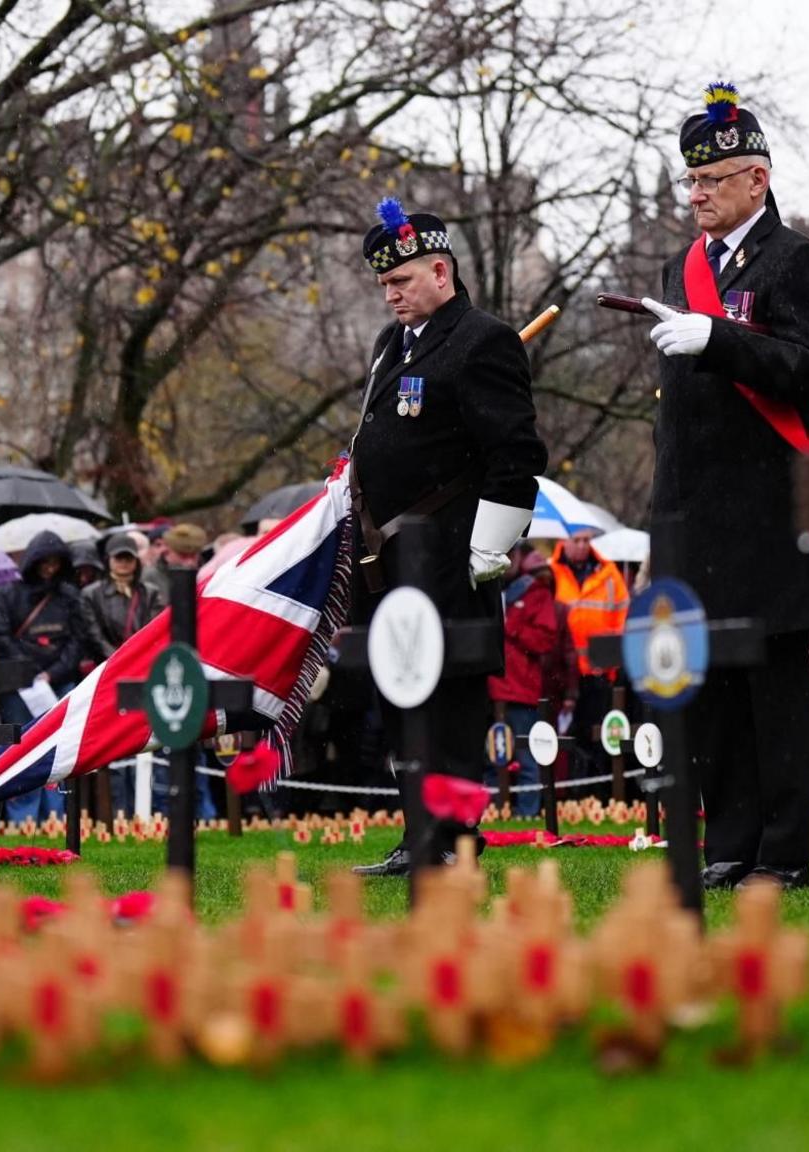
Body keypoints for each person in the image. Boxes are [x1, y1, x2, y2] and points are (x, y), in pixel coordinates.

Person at [638, 83, 809, 891]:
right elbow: (674, 421)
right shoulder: (679, 268)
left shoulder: (793, 261)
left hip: (766, 509)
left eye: (713, 181)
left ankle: (784, 852)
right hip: (694, 511)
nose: (697, 196)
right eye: (691, 183)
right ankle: (730, 842)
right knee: (712, 683)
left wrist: (720, 339)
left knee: (771, 688)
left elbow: (806, 371)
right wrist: (662, 522)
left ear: (756, 180)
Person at [344, 197, 545, 877]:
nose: (391, 294)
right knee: (400, 697)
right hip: (389, 559)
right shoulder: (389, 346)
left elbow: (516, 454)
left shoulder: (481, 339)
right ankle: (418, 834)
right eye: (385, 285)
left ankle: (454, 836)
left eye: (400, 281)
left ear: (440, 270)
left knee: (450, 699)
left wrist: (493, 544)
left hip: (454, 554)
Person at [0, 531, 90, 822]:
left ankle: (57, 818)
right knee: (21, 748)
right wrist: (29, 666)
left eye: (56, 562)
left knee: (60, 751)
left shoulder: (69, 596)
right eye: (44, 562)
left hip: (58, 682)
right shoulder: (9, 594)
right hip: (19, 686)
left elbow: (77, 640)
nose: (50, 568)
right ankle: (23, 818)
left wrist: (52, 672)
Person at [485, 550, 575, 818]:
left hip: (520, 690)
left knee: (527, 759)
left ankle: (526, 814)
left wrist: (511, 626)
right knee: (490, 758)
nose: (508, 559)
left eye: (512, 553)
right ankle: (492, 814)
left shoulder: (536, 593)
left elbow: (545, 640)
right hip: (489, 690)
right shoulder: (485, 588)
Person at [551, 526, 630, 796]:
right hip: (565, 674)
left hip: (599, 673)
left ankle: (596, 793)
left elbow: (622, 620)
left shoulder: (609, 575)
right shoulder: (552, 572)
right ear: (565, 542)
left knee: (598, 738)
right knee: (567, 739)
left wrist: (613, 664)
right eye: (578, 540)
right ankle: (570, 794)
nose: (583, 545)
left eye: (587, 540)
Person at [83, 532, 167, 658]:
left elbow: (154, 630)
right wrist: (116, 659)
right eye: (118, 558)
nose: (123, 563)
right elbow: (94, 635)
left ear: (136, 561)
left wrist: (135, 657)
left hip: (143, 659)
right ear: (108, 560)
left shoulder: (150, 593)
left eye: (128, 558)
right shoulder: (91, 594)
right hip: (107, 664)